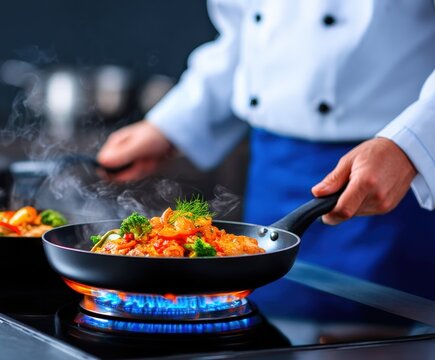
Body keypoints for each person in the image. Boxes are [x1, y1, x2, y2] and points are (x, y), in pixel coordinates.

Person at [97, 1, 435, 300]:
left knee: (385, 333)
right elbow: (245, 38)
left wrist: (410, 144)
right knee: (264, 320)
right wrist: (172, 125)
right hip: (274, 171)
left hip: (390, 173)